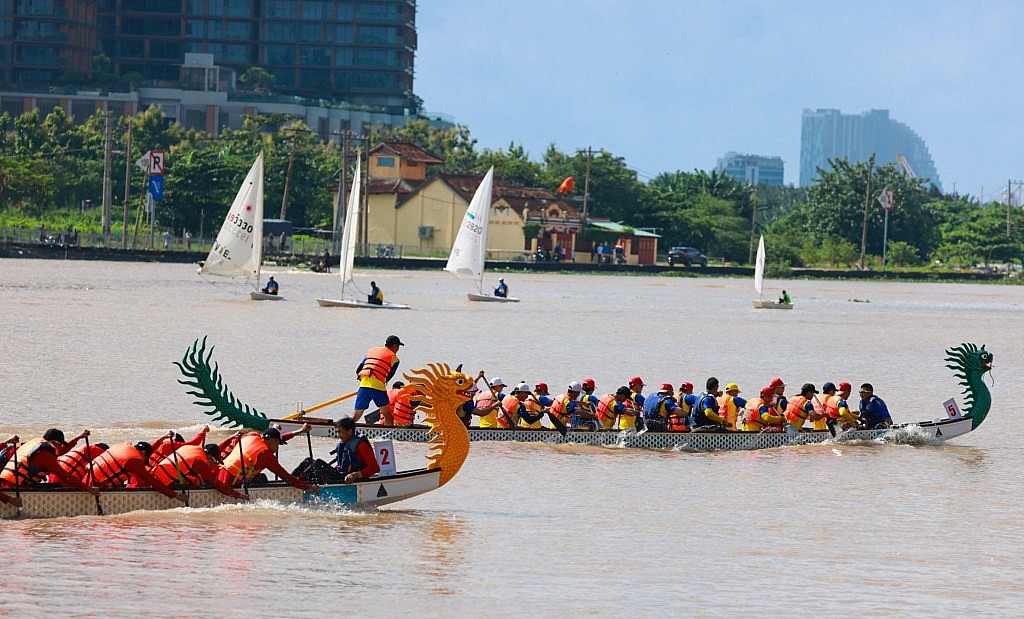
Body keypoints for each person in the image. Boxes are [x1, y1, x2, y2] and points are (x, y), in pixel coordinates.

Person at [0, 429, 100, 496]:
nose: (60, 446)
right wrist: (88, 489)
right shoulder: (44, 454)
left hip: (8, 483)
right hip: (16, 488)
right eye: (58, 444)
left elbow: (61, 451)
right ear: (52, 442)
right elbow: (65, 476)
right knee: (58, 486)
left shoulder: (36, 443)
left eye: (61, 444)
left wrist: (78, 438)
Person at [218, 427, 319, 493]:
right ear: (271, 441)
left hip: (219, 472)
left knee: (261, 477)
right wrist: (308, 487)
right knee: (262, 479)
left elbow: (275, 437)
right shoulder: (265, 454)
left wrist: (299, 431)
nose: (278, 448)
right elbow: (286, 477)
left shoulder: (252, 436)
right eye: (278, 444)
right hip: (228, 484)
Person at [85, 440, 187, 501]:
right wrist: (175, 495)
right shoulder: (134, 460)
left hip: (86, 480)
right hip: (94, 488)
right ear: (143, 453)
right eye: (147, 456)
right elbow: (152, 481)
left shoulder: (122, 448)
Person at [150, 441, 248, 499]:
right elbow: (217, 484)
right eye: (214, 460)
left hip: (154, 474)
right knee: (197, 481)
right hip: (163, 485)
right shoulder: (199, 461)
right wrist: (239, 495)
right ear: (209, 456)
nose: (213, 464)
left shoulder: (191, 448)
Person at [353, 335, 403, 424]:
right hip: (378, 387)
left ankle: (345, 430)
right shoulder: (395, 359)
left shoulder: (371, 351)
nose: (398, 349)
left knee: (356, 414)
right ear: (395, 346)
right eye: (398, 346)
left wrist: (365, 382)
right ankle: (389, 435)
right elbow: (388, 377)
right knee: (387, 414)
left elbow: (358, 370)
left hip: (364, 384)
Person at [333, 417, 381, 483]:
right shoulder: (343, 444)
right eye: (337, 432)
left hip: (353, 479)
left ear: (350, 432)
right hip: (342, 476)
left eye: (340, 432)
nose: (338, 435)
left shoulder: (361, 446)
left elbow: (375, 468)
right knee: (316, 464)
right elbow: (341, 464)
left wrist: (355, 475)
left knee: (318, 464)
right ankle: (315, 486)